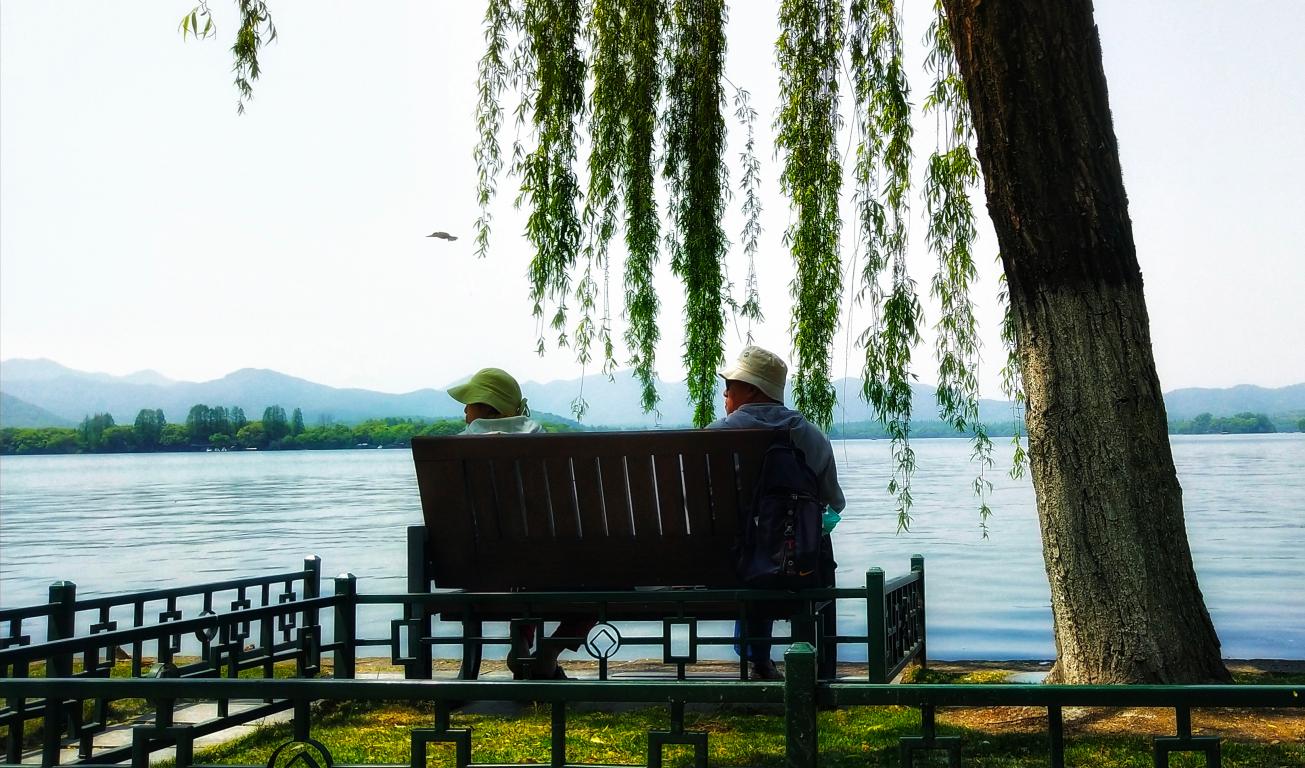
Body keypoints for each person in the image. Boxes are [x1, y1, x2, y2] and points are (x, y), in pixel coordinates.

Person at [706, 345, 845, 680]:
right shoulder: (812, 437)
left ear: (752, 390)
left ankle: (758, 658)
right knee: (780, 543)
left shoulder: (713, 436)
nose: (725, 393)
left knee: (748, 545)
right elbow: (834, 503)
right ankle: (807, 665)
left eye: (730, 385)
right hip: (794, 570)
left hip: (718, 569)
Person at [446, 367, 590, 679]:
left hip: (478, 571)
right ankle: (550, 651)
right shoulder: (543, 442)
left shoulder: (451, 450)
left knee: (522, 570)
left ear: (488, 408)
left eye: (469, 404)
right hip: (548, 567)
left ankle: (521, 642)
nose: (464, 412)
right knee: (606, 577)